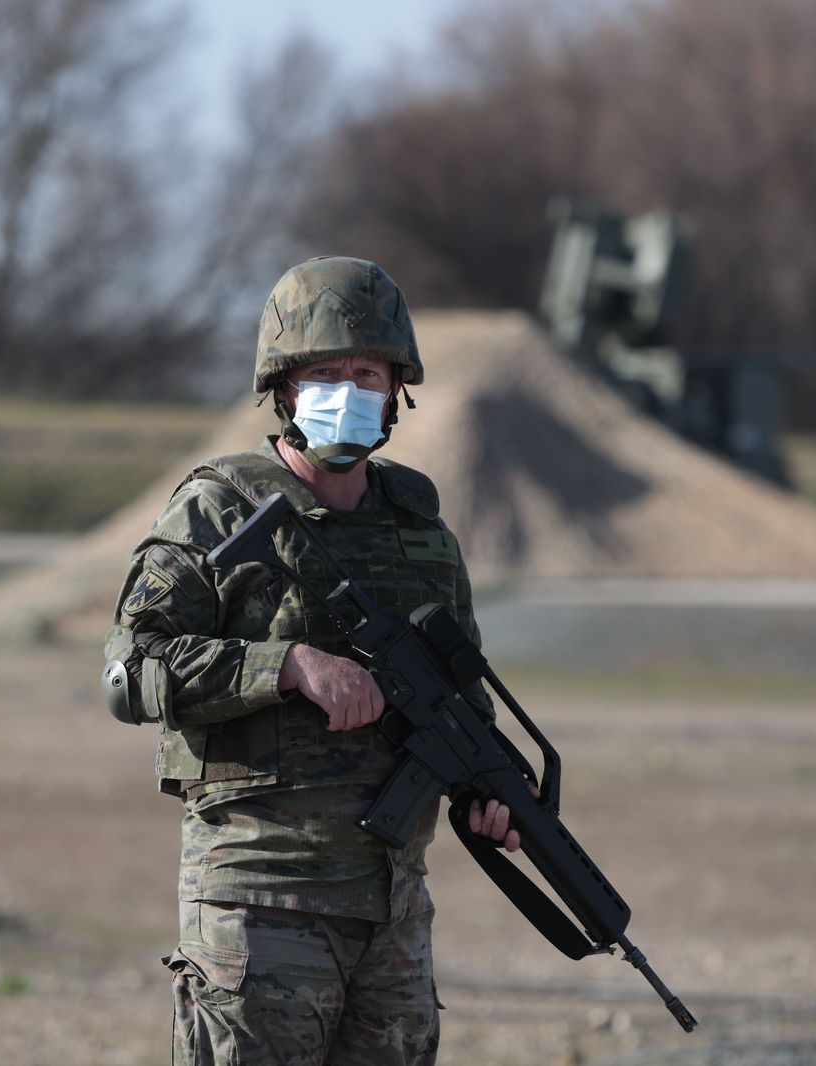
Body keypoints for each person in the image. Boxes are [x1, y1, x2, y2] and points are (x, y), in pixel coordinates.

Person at [103, 256, 518, 1065]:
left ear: (399, 388)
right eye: (326, 371)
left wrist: (487, 792)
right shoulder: (217, 508)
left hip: (392, 913)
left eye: (368, 371)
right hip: (262, 904)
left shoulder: (421, 531)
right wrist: (287, 666)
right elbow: (133, 669)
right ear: (284, 387)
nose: (349, 389)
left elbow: (462, 702)